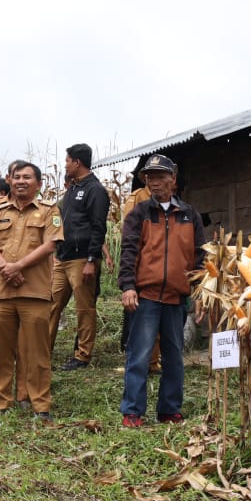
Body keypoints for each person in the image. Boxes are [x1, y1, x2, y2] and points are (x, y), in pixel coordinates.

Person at [118, 154, 205, 428]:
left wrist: (199, 293)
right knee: (139, 356)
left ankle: (169, 410)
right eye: (149, 177)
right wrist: (128, 286)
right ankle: (132, 411)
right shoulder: (140, 213)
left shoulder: (190, 216)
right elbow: (129, 251)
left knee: (174, 357)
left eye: (159, 176)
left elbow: (200, 258)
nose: (154, 182)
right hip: (145, 296)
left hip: (176, 297)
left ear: (173, 179)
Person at [0, 161, 63, 421]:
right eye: (16, 177)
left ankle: (40, 404)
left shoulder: (50, 210)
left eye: (27, 177)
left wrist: (17, 266)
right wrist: (6, 267)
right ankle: (1, 402)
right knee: (2, 350)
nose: (20, 181)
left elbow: (50, 245)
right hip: (1, 292)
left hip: (35, 292)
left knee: (37, 352)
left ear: (38, 184)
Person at [48, 143, 110, 371]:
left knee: (84, 309)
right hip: (62, 258)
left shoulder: (95, 190)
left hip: (82, 259)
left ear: (77, 162)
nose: (65, 165)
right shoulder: (72, 189)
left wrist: (92, 260)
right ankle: (43, 349)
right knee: (52, 304)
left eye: (67, 161)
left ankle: (82, 356)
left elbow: (98, 226)